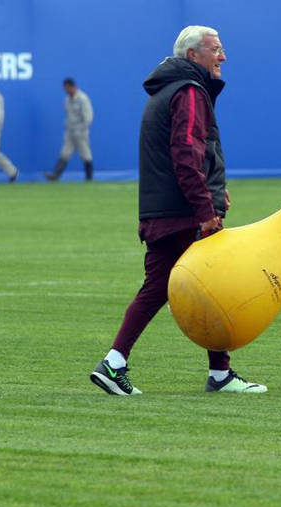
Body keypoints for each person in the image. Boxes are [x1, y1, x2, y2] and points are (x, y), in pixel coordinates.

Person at [90, 25, 267, 396]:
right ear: (193, 56)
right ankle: (217, 373)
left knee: (157, 289)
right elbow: (186, 155)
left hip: (163, 211)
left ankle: (117, 363)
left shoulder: (167, 91)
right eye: (216, 49)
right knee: (212, 285)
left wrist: (217, 191)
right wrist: (206, 209)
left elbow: (191, 157)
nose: (223, 57)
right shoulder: (189, 92)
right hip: (184, 214)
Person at [44, 78, 94, 181]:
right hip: (70, 132)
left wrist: (81, 129)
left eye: (67, 88)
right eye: (65, 88)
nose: (66, 90)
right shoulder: (67, 100)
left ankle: (89, 178)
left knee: (85, 154)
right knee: (64, 153)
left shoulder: (82, 99)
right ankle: (55, 176)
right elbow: (68, 116)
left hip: (81, 133)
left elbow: (88, 117)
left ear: (72, 87)